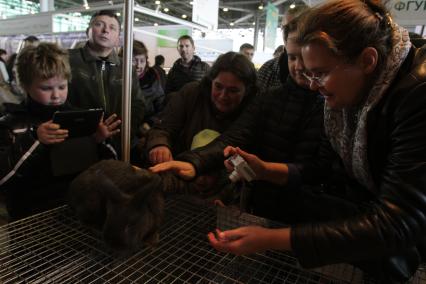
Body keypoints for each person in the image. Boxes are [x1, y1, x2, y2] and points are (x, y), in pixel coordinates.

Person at [203, 1, 425, 282]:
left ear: (367, 61)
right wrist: (265, 170)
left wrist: (272, 239)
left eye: (320, 73)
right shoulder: (357, 96)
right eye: (308, 71)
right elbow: (327, 170)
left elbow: (398, 222)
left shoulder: (417, 94)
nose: (311, 84)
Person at [150, 13, 325, 221]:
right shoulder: (269, 99)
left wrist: (264, 171)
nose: (298, 66)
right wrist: (194, 163)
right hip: (263, 209)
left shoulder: (332, 102)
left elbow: (320, 170)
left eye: (303, 57)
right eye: (293, 57)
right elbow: (233, 138)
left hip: (309, 216)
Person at [0, 43, 120, 221]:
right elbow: (4, 177)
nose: (56, 95)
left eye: (62, 87)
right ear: (25, 86)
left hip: (78, 212)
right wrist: (35, 138)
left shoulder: (80, 117)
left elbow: (110, 167)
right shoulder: (12, 123)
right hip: (30, 218)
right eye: (46, 88)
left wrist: (99, 140)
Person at [146, 52, 257, 200]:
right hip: (179, 185)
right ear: (211, 80)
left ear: (247, 90)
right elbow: (163, 127)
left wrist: (222, 185)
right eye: (218, 86)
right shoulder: (191, 93)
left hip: (224, 196)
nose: (223, 96)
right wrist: (159, 145)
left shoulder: (253, 110)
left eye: (233, 90)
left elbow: (248, 167)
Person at [67, 10, 145, 157]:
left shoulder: (126, 67)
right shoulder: (68, 60)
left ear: (118, 38)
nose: (105, 30)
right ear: (88, 31)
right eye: (99, 24)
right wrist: (90, 132)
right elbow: (58, 102)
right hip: (78, 145)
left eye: (112, 27)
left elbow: (137, 104)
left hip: (118, 145)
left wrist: (118, 132)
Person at [257, 5, 308, 94]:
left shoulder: (325, 75)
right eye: (285, 28)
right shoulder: (268, 69)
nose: (289, 32)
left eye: (296, 26)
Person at [131, 40, 165, 127]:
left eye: (142, 61)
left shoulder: (152, 77)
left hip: (146, 128)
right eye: (134, 61)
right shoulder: (116, 77)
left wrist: (151, 123)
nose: (138, 66)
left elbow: (161, 106)